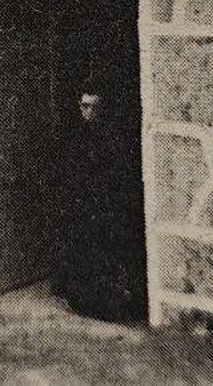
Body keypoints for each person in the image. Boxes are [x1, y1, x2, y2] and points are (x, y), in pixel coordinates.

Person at [52, 92, 147, 322]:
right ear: (79, 108)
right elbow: (67, 172)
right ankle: (81, 301)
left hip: (105, 207)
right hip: (82, 206)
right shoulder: (73, 139)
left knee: (106, 256)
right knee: (82, 254)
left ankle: (105, 307)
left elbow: (118, 173)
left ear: (101, 108)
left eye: (93, 107)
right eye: (84, 106)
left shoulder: (112, 138)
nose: (89, 112)